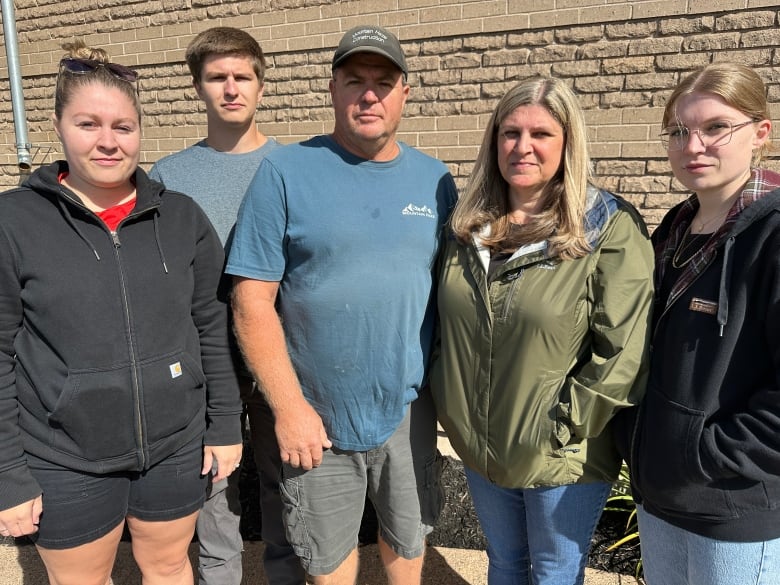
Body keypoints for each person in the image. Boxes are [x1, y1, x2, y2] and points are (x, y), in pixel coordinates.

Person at [0, 41, 243, 585]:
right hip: (64, 454)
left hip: (175, 444)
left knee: (169, 566)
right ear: (59, 126)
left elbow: (211, 324)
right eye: (89, 124)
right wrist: (7, 475)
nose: (108, 141)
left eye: (123, 127)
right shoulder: (13, 223)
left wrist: (224, 423)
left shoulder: (180, 217)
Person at [226, 25, 456, 585]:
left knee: (407, 538)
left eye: (384, 82)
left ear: (405, 93)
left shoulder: (435, 181)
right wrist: (288, 407)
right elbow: (250, 302)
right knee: (326, 559)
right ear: (332, 88)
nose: (369, 95)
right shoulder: (285, 173)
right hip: (316, 416)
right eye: (355, 80)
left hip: (407, 409)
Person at [429, 76, 654, 585]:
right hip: (480, 441)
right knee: (505, 563)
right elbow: (445, 328)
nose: (522, 147)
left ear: (568, 142)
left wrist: (563, 423)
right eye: (510, 133)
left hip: (561, 449)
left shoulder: (606, 227)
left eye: (541, 134)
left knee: (553, 571)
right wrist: (451, 403)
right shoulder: (466, 230)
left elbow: (624, 349)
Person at [149, 27, 303, 585]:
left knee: (284, 481)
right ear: (198, 87)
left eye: (242, 77)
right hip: (203, 359)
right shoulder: (168, 177)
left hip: (278, 356)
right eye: (217, 78)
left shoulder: (295, 167)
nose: (231, 89)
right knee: (215, 490)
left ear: (262, 85)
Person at [616, 62, 780, 584]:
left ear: (759, 133)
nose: (693, 146)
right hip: (662, 499)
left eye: (715, 128)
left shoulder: (772, 237)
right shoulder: (676, 228)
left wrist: (703, 453)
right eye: (679, 131)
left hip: (734, 511)